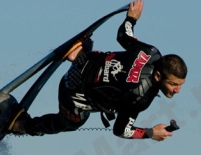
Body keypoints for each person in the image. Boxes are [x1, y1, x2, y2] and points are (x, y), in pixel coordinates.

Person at [12, 0, 187, 142]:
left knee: (104, 64)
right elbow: (121, 131)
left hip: (85, 61)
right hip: (72, 90)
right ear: (158, 76)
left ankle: (78, 52)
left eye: (180, 85)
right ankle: (20, 126)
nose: (177, 91)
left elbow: (123, 36)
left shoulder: (151, 52)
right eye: (173, 84)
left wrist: (131, 19)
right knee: (72, 123)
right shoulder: (140, 97)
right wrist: (150, 133)